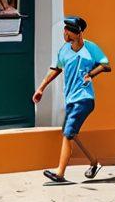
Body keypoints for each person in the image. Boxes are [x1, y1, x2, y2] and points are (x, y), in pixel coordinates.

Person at [33, 15, 109, 182]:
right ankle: (94, 162)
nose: (64, 32)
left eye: (67, 30)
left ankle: (60, 173)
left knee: (68, 134)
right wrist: (41, 88)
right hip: (71, 99)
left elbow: (105, 64)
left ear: (77, 33)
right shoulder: (64, 50)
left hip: (85, 99)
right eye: (65, 29)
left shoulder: (91, 48)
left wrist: (91, 74)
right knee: (71, 133)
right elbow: (55, 69)